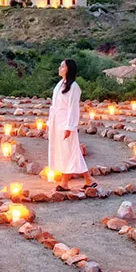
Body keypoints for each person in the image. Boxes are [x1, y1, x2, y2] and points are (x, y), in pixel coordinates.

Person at [47, 58, 94, 191]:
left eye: (62, 66)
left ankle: (65, 183)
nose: (59, 68)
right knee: (68, 152)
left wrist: (70, 127)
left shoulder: (74, 87)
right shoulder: (60, 84)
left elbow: (73, 108)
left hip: (65, 123)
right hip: (57, 122)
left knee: (68, 151)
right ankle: (88, 180)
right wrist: (50, 122)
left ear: (68, 69)